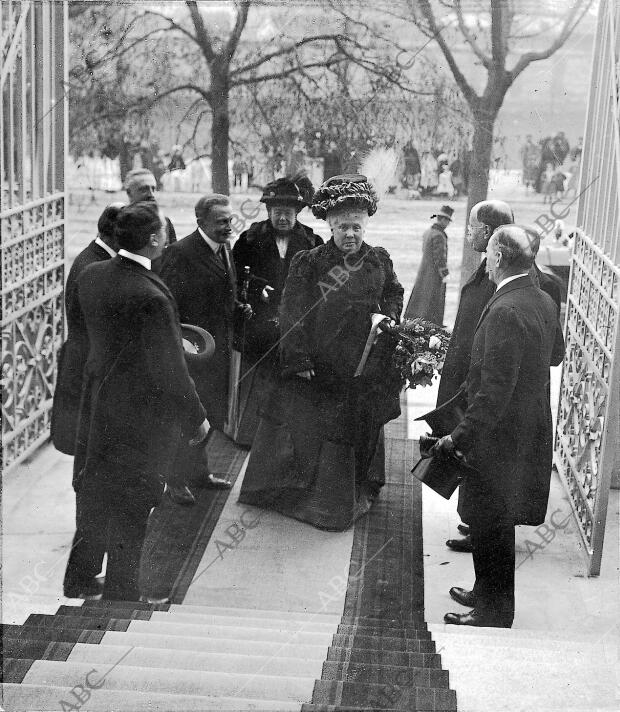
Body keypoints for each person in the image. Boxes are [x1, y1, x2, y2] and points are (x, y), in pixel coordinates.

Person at [238, 174, 404, 531]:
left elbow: (394, 290)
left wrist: (389, 318)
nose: (351, 235)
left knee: (357, 424)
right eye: (343, 227)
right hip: (319, 367)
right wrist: (297, 359)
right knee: (316, 427)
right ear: (330, 226)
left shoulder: (378, 259)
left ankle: (355, 489)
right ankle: (317, 500)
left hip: (363, 364)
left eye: (356, 227)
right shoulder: (309, 262)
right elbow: (292, 310)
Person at [62, 202, 209, 601]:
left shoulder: (92, 276)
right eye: (163, 231)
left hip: (98, 408)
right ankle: (123, 592)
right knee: (134, 501)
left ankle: (77, 579)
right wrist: (196, 417)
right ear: (153, 240)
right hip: (140, 419)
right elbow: (171, 370)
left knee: (95, 493)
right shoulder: (151, 296)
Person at [435, 225, 565, 627]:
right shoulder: (540, 297)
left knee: (492, 523)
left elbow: (493, 392)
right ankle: (485, 590)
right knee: (494, 521)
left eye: (488, 253)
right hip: (523, 431)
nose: (484, 261)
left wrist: (459, 437)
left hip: (499, 439)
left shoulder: (507, 308)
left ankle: (493, 611)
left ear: (498, 257)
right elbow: (555, 355)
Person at [159, 195, 251, 504]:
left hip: (219, 349)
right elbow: (170, 308)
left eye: (229, 219)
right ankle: (174, 479)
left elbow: (225, 293)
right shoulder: (180, 254)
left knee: (210, 412)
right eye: (221, 221)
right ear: (201, 223)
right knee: (186, 416)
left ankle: (198, 473)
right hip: (192, 352)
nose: (229, 226)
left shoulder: (223, 248)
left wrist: (238, 307)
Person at [231, 175, 323, 445]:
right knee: (259, 380)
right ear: (269, 212)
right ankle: (250, 436)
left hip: (296, 323)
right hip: (259, 322)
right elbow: (236, 275)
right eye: (277, 213)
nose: (282, 218)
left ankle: (287, 438)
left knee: (292, 381)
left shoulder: (311, 242)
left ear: (297, 213)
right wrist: (258, 289)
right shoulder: (249, 239)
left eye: (288, 213)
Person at [52, 203, 123, 458]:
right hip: (86, 363)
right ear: (113, 233)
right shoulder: (93, 265)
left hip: (86, 359)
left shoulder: (98, 258)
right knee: (87, 445)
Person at [403, 205, 453, 325]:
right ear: (442, 220)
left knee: (421, 298)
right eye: (447, 221)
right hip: (434, 274)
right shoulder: (439, 235)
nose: (448, 224)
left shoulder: (428, 232)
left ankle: (416, 321)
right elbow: (440, 257)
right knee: (432, 300)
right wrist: (445, 273)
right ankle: (430, 324)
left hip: (424, 271)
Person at [124, 168, 176, 246]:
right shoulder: (118, 222)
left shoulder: (165, 222)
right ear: (129, 193)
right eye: (144, 189)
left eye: (153, 189)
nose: (151, 195)